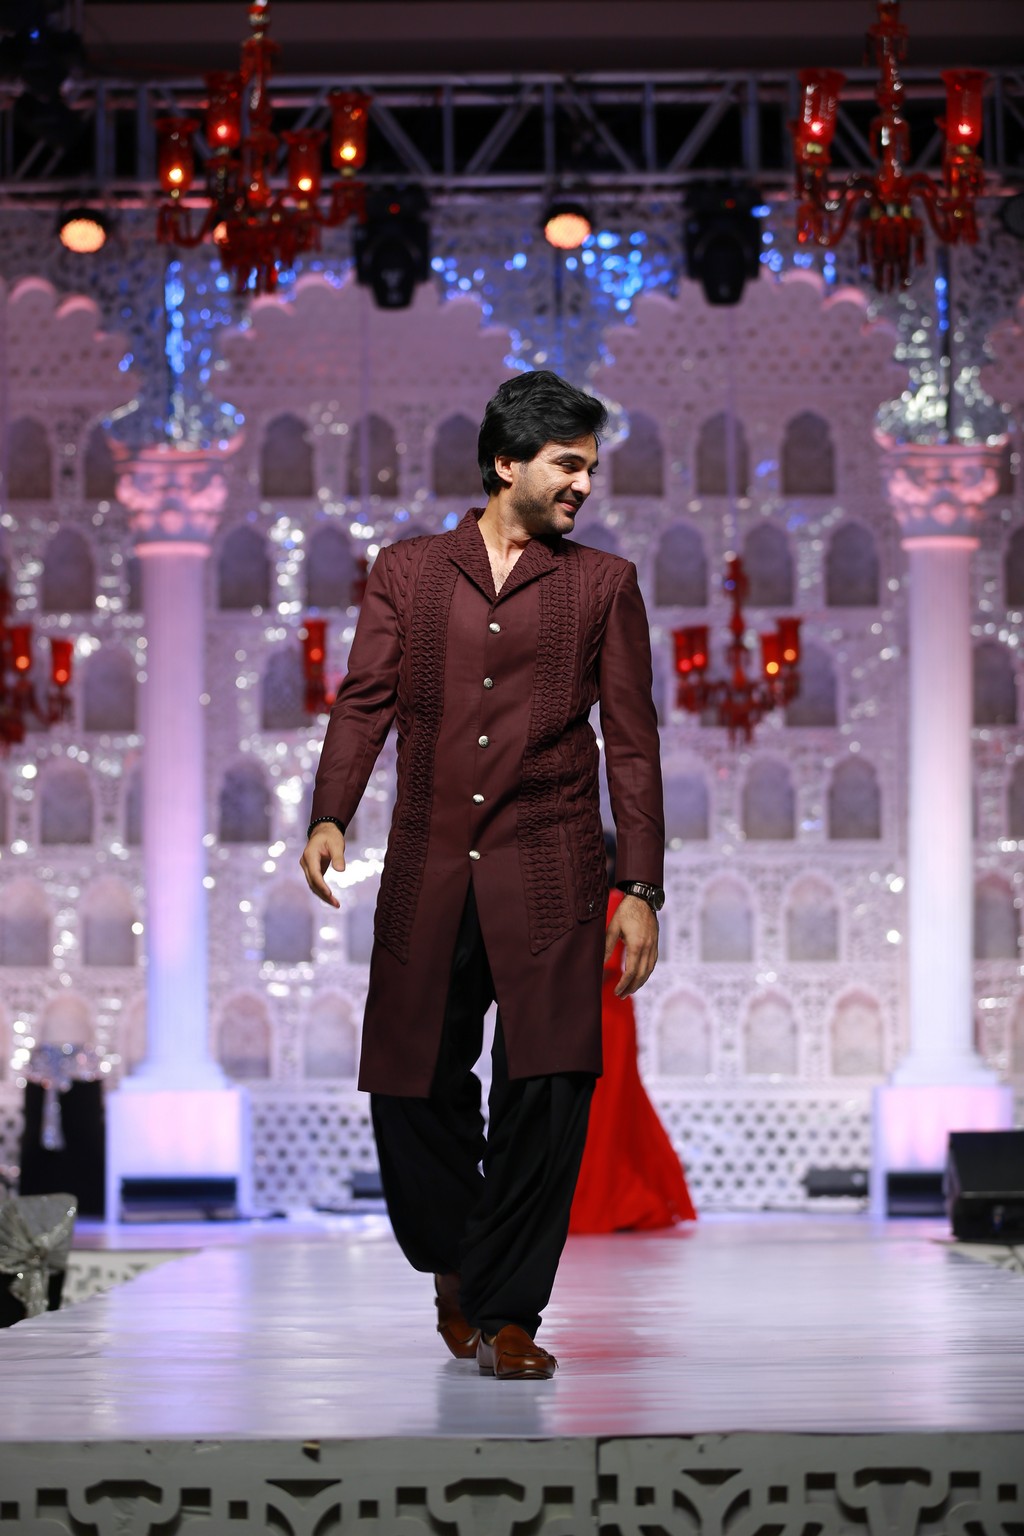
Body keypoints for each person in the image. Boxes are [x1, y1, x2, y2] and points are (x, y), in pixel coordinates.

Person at [300, 370, 664, 1380]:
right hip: (428, 864)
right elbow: (364, 701)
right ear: (507, 464)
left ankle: (510, 1313)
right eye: (567, 465)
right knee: (409, 1082)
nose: (583, 485)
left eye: (590, 469)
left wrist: (639, 888)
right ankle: (457, 1265)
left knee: (547, 1089)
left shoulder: (603, 584)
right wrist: (330, 813)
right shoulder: (409, 572)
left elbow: (633, 744)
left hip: (550, 866)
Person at [570, 841, 696, 1234]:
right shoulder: (597, 902)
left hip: (604, 1016)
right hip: (601, 1014)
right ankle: (608, 1198)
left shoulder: (613, 902)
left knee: (606, 1107)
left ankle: (603, 1201)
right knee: (607, 1107)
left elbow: (603, 965)